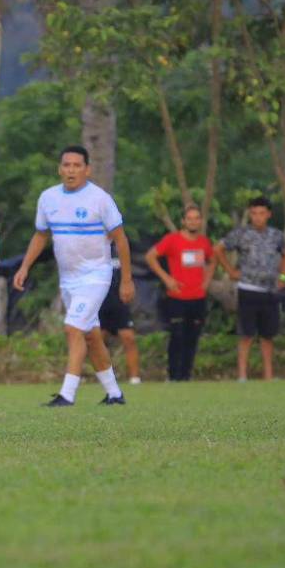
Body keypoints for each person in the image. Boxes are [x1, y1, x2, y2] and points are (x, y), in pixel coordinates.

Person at [13, 145, 132, 407]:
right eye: (66, 165)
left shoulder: (100, 199)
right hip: (68, 280)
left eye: (77, 165)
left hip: (96, 275)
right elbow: (41, 235)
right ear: (59, 169)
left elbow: (121, 240)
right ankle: (114, 394)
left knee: (73, 328)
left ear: (87, 170)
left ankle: (67, 394)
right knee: (90, 335)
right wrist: (24, 267)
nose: (71, 170)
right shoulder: (48, 198)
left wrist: (126, 279)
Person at [215, 196, 285, 382]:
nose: (258, 217)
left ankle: (268, 375)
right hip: (248, 288)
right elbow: (218, 248)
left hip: (270, 290)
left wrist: (283, 277)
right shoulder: (241, 234)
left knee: (267, 336)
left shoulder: (276, 235)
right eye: (254, 213)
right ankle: (242, 375)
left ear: (269, 215)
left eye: (262, 213)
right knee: (246, 334)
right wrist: (231, 271)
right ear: (250, 214)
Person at [145, 205, 216, 381]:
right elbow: (150, 256)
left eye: (197, 218)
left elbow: (213, 260)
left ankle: (186, 375)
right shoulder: (172, 240)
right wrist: (167, 279)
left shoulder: (204, 242)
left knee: (193, 337)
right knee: (177, 336)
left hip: (198, 298)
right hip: (177, 297)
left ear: (201, 221)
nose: (193, 221)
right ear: (183, 221)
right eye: (189, 218)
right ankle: (173, 375)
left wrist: (206, 282)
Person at [98, 254, 141, 384]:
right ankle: (105, 378)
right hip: (99, 301)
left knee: (128, 337)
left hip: (119, 301)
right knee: (98, 340)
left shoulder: (120, 248)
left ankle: (134, 378)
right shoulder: (94, 246)